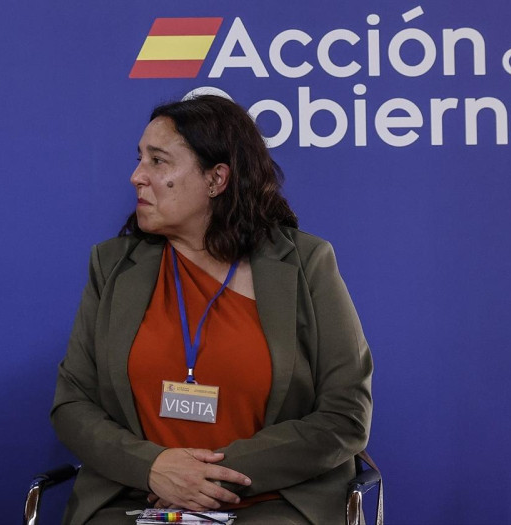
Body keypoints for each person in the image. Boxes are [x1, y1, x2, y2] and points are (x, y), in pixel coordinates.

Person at [51, 95, 372, 524]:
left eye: (158, 161)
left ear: (216, 179)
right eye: (140, 158)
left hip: (273, 502)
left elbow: (344, 415)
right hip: (138, 499)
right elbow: (73, 404)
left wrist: (207, 479)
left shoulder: (305, 265)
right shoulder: (111, 266)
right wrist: (154, 468)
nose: (136, 177)